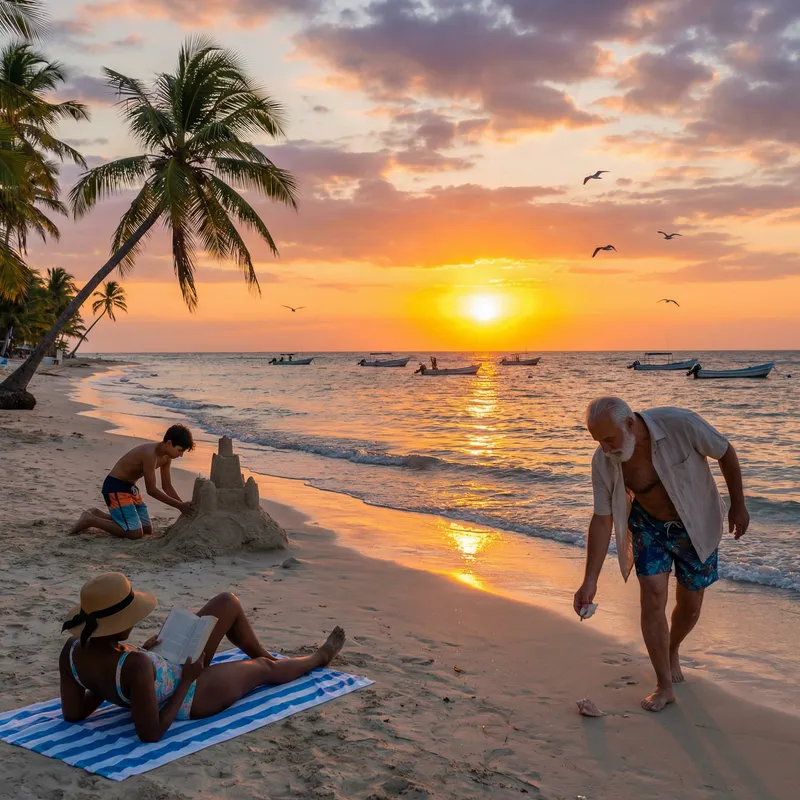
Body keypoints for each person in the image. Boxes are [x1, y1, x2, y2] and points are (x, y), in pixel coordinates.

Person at [574, 397, 749, 712]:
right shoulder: (603, 460)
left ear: (629, 424)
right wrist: (590, 581)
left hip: (697, 524)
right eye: (598, 440)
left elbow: (725, 452)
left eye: (609, 439)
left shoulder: (681, 423)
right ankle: (663, 685)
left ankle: (672, 648)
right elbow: (602, 519)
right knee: (652, 597)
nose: (604, 447)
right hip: (647, 527)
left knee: (690, 606)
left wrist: (739, 503)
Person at [60, 572, 347, 742]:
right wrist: (187, 680)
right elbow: (150, 735)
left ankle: (275, 662)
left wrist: (137, 659)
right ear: (119, 624)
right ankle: (318, 658)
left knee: (226, 602)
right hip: (188, 694)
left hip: (163, 666)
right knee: (260, 668)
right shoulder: (133, 665)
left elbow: (74, 713)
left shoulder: (72, 651)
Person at [69, 424, 196, 540]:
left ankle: (98, 514)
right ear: (169, 443)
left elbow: (167, 486)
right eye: (179, 450)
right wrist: (178, 506)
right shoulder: (150, 454)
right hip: (115, 487)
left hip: (131, 488)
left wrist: (182, 505)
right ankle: (91, 520)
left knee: (147, 529)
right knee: (135, 533)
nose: (181, 455)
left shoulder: (167, 458)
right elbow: (151, 490)